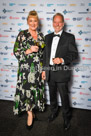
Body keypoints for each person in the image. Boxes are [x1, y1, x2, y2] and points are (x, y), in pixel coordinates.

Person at [42, 13, 78, 130]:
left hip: (62, 72)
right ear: (52, 23)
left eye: (59, 22)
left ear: (63, 23)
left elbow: (74, 54)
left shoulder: (69, 37)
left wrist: (62, 60)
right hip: (50, 72)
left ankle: (66, 118)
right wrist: (44, 70)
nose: (57, 24)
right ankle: (53, 112)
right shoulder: (47, 37)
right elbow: (45, 56)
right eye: (55, 22)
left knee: (64, 97)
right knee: (52, 96)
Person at [13, 10, 45, 130]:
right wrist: (28, 50)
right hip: (25, 71)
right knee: (26, 90)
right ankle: (30, 113)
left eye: (35, 21)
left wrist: (44, 70)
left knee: (35, 90)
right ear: (27, 22)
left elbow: (44, 56)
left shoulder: (42, 36)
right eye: (31, 21)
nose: (33, 23)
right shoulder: (22, 34)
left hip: (37, 70)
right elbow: (16, 51)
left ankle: (32, 110)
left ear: (38, 22)